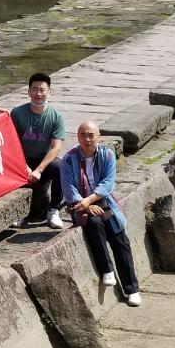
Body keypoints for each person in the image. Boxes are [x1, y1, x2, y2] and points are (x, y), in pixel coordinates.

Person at [61, 120, 141, 307]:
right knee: (94, 224)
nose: (87, 139)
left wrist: (89, 200)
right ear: (77, 137)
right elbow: (69, 188)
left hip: (102, 201)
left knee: (119, 238)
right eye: (83, 135)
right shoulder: (69, 159)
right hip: (79, 204)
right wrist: (85, 205)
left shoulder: (107, 155)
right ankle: (107, 270)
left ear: (99, 137)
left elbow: (107, 184)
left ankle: (132, 289)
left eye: (91, 135)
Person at [11, 73, 65, 229]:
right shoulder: (17, 113)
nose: (38, 94)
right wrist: (24, 166)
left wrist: (39, 170)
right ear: (28, 92)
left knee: (60, 167)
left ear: (49, 92)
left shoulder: (56, 117)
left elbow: (56, 147)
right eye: (34, 89)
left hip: (43, 161)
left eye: (42, 90)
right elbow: (12, 143)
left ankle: (53, 211)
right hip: (22, 159)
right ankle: (18, 212)